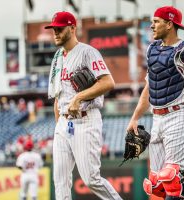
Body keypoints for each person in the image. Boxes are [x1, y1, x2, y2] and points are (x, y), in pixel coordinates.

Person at [126, 6, 184, 200]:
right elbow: (149, 88)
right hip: (157, 118)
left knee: (172, 180)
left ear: (169, 24)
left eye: (156, 21)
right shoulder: (152, 49)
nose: (152, 26)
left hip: (179, 114)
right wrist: (134, 118)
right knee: (156, 185)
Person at [45, 11, 122, 200]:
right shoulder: (57, 57)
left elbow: (108, 82)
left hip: (85, 120)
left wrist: (79, 97)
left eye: (60, 29)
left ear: (72, 28)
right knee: (60, 181)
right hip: (64, 124)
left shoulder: (88, 52)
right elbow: (57, 96)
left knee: (91, 179)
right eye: (53, 29)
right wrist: (59, 125)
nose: (55, 32)